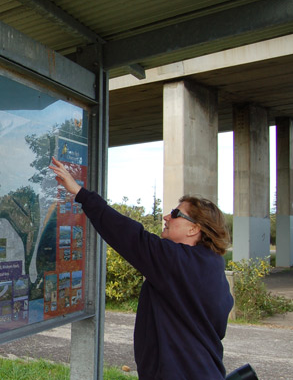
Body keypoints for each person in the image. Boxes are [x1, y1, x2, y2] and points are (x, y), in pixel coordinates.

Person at [49, 157, 233, 379]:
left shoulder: (175, 261)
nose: (167, 216)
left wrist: (80, 193)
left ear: (194, 229)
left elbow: (128, 235)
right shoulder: (212, 264)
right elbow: (218, 327)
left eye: (176, 214)